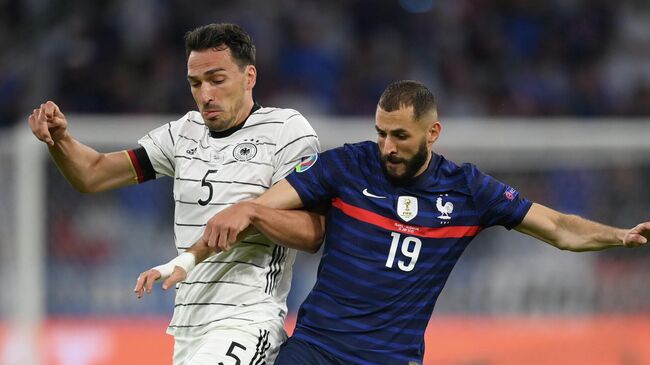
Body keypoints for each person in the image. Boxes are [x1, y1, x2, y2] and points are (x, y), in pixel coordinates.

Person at [138, 80, 650, 365]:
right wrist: (185, 260)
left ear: (434, 132)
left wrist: (622, 237)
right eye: (381, 133)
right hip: (315, 350)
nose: (387, 147)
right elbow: (249, 210)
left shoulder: (469, 190)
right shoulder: (347, 164)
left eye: (401, 136)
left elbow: (558, 227)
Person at [28, 23, 322, 365]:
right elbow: (93, 175)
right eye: (195, 84)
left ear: (249, 76)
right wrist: (61, 140)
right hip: (188, 330)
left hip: (248, 321)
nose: (205, 94)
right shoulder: (182, 133)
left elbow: (313, 232)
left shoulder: (287, 131)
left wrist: (252, 212)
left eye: (217, 79)